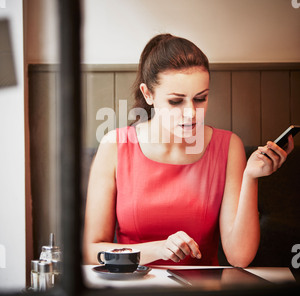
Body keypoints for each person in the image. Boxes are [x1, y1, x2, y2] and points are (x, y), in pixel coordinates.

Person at [83, 34, 294, 267]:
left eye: (200, 99)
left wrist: (250, 177)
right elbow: (92, 251)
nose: (191, 113)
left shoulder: (228, 146)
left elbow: (239, 257)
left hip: (201, 294)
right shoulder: (115, 146)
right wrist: (157, 249)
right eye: (176, 101)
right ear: (148, 94)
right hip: (134, 290)